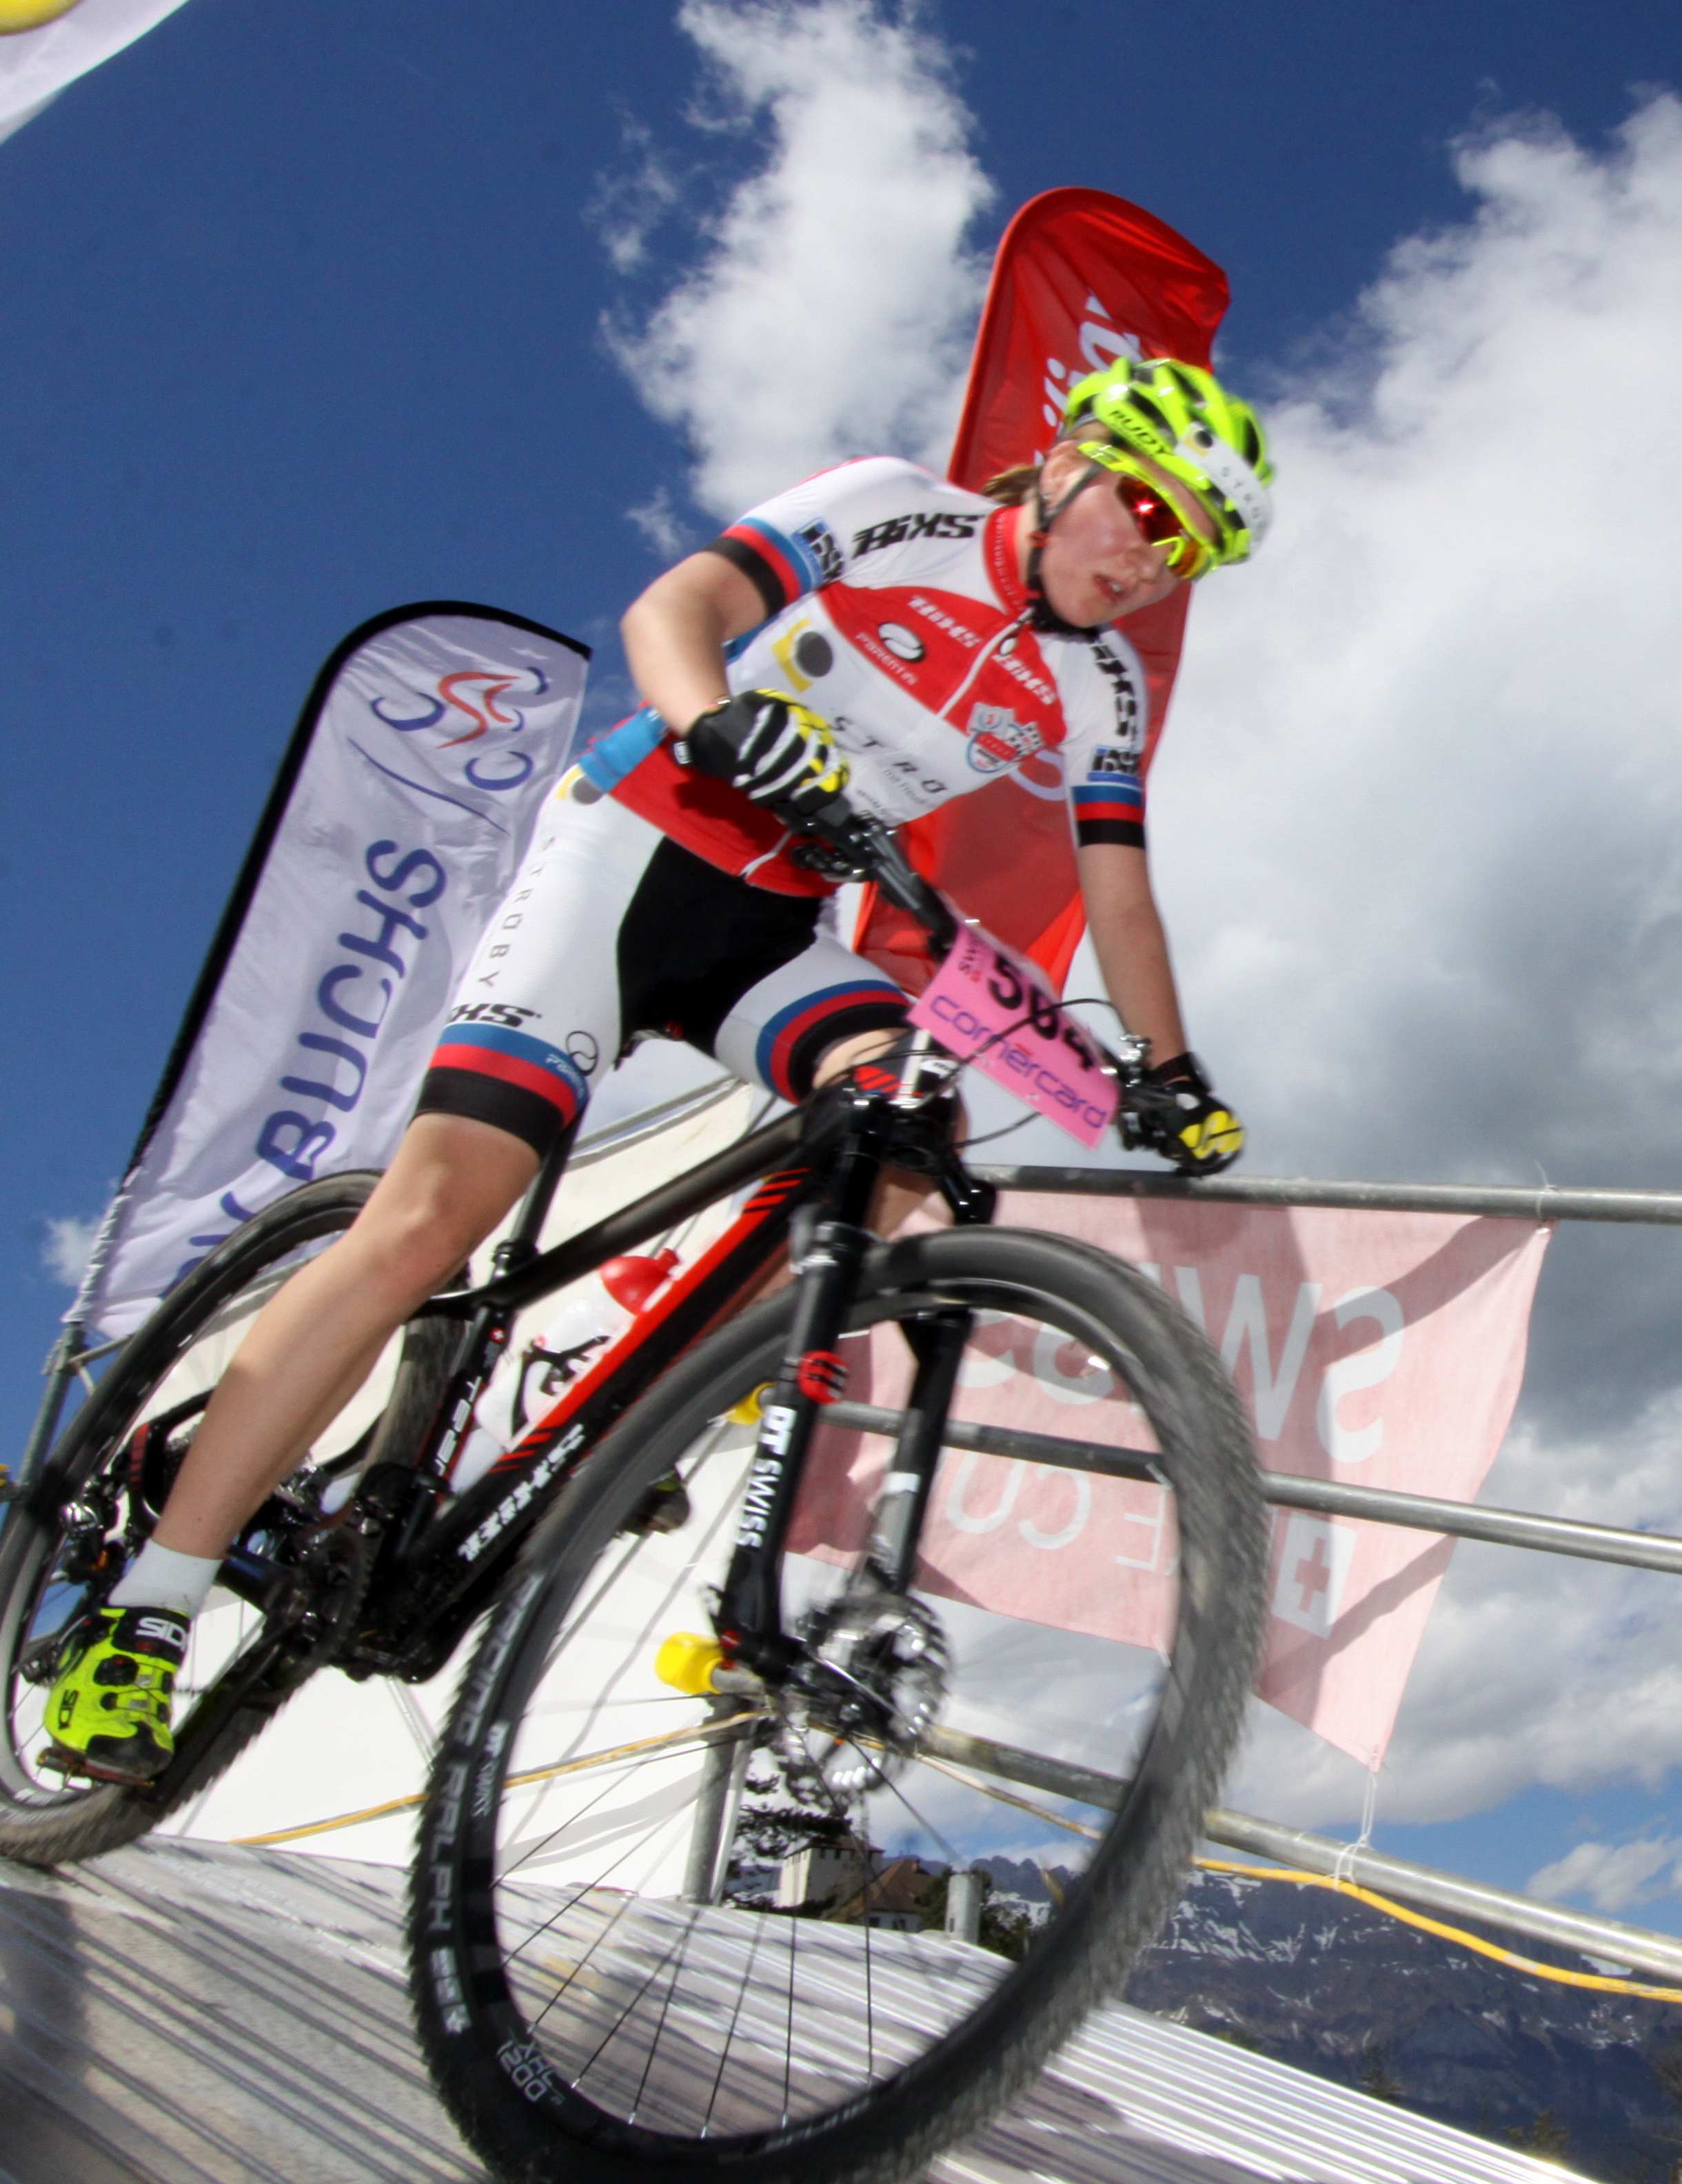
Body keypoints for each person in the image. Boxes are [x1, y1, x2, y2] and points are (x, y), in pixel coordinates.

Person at [43, 357, 1273, 1785]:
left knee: (903, 1126)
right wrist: (715, 713)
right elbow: (674, 612)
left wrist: (1167, 1071)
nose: (1154, 561)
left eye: (1192, 551)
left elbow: (1119, 891)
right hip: (632, 854)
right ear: (1063, 466)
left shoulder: (1100, 688)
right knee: (432, 1223)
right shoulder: (901, 511)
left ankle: (640, 1414)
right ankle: (144, 1611)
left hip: (771, 931)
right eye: (1147, 509)